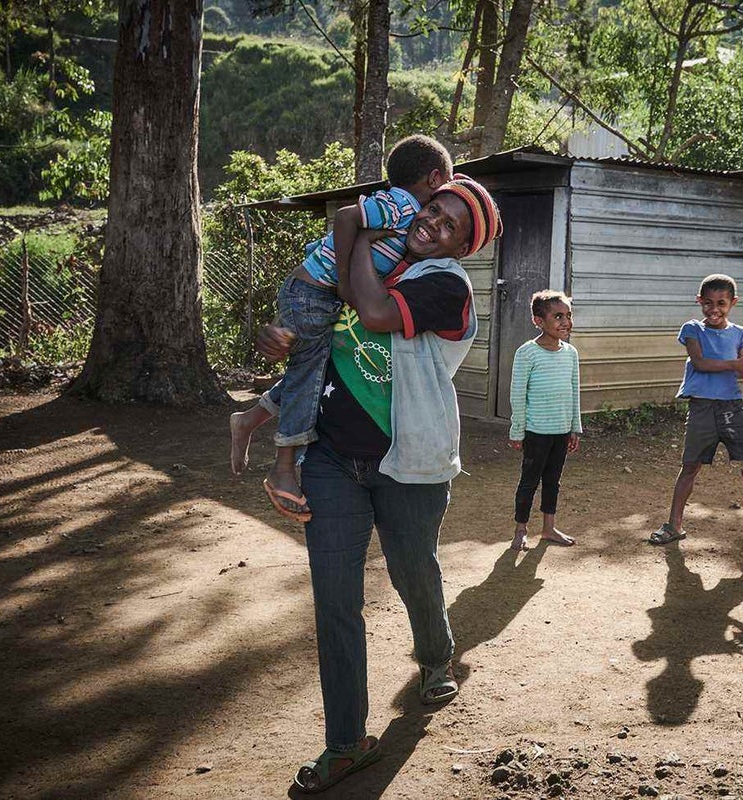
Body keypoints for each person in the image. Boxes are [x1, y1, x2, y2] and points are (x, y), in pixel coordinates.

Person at [256, 177, 501, 794]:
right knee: (335, 599)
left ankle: (435, 654)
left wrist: (356, 229)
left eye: (450, 226)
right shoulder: (381, 260)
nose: (433, 224)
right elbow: (325, 347)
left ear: (462, 248)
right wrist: (279, 355)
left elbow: (369, 313)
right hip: (333, 459)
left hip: (409, 463)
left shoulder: (446, 288)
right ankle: (345, 743)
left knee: (412, 567)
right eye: (433, 209)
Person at [229, 135, 454, 521]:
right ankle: (283, 466)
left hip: (315, 292)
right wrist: (346, 279)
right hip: (315, 294)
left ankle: (250, 419)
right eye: (445, 188)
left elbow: (323, 246)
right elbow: (347, 217)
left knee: (314, 369)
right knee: (306, 374)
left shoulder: (404, 216)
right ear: (435, 179)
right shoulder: (402, 205)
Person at [649, 274, 743, 545]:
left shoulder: (740, 333)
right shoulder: (692, 328)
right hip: (702, 407)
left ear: (733, 303)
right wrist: (737, 364)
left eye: (721, 303)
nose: (714, 309)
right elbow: (701, 362)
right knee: (690, 466)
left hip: (732, 406)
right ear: (699, 301)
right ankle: (674, 525)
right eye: (707, 303)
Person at [508, 290, 582, 551]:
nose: (566, 322)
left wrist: (575, 427)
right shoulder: (527, 353)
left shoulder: (571, 353)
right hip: (535, 432)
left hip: (561, 431)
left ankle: (549, 528)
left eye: (568, 315)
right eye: (558, 316)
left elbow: (574, 391)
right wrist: (517, 431)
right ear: (539, 321)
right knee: (529, 480)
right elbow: (517, 394)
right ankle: (520, 529)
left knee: (553, 480)